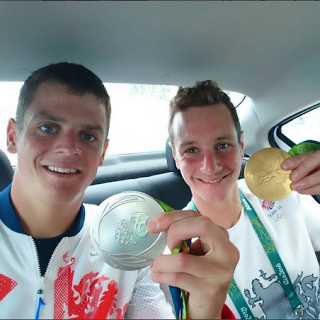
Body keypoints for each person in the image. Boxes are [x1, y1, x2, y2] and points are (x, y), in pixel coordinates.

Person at [0, 63, 238, 319]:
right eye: (47, 128)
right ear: (13, 137)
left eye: (88, 136)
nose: (69, 148)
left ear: (102, 152)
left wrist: (204, 311)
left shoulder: (131, 243)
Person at [157, 79, 320, 319]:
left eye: (222, 145)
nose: (210, 166)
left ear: (241, 144)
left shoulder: (287, 195)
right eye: (191, 150)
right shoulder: (177, 252)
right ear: (175, 155)